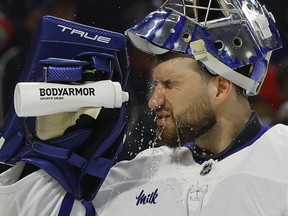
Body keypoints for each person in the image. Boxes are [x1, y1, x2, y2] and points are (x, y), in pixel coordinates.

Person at [0, 0, 287, 216]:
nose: (153, 101)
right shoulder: (138, 172)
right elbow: (15, 206)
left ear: (221, 87)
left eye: (170, 84)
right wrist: (48, 154)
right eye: (154, 85)